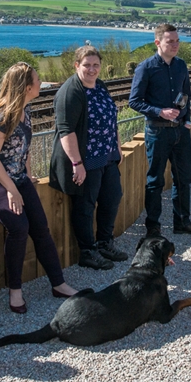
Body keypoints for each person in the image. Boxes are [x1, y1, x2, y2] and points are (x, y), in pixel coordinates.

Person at [0, 63, 80, 314]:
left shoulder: (25, 108)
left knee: (40, 226)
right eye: (37, 79)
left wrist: (27, 175)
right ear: (26, 87)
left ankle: (58, 283)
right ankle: (15, 291)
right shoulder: (1, 115)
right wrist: (12, 189)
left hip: (17, 175)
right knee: (19, 227)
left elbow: (24, 147)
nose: (41, 83)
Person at [49, 45, 128, 271]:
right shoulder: (70, 91)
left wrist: (117, 147)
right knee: (85, 206)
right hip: (86, 159)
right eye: (87, 65)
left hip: (107, 156)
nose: (92, 69)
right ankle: (87, 251)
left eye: (96, 65)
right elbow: (66, 130)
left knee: (112, 197)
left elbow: (111, 119)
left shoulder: (100, 86)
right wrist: (77, 163)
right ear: (77, 65)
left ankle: (104, 243)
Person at [128, 23, 191, 237]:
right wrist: (159, 111)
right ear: (158, 42)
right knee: (155, 181)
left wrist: (187, 119)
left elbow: (187, 95)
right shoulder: (145, 68)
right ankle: (153, 227)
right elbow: (134, 101)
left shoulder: (181, 65)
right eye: (170, 41)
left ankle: (182, 222)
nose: (175, 45)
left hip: (180, 131)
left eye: (177, 41)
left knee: (184, 178)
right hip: (157, 132)